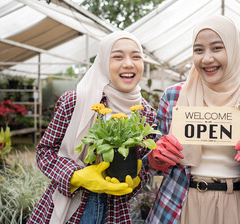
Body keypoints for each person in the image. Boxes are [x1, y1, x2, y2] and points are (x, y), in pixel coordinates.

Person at [145, 15, 240, 224]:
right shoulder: (173, 97)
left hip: (236, 205)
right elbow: (153, 165)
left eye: (217, 48)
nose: (206, 59)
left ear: (233, 49)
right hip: (180, 201)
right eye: (198, 50)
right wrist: (155, 158)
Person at [27, 31, 156, 224]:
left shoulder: (146, 114)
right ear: (103, 62)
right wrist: (77, 176)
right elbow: (45, 152)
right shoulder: (77, 101)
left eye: (136, 56)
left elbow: (144, 165)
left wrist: (136, 178)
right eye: (118, 56)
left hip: (115, 212)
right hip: (71, 209)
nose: (129, 63)